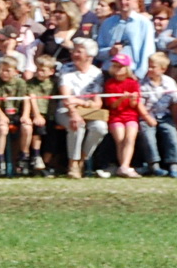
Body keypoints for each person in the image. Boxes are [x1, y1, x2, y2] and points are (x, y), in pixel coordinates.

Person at [58, 38, 109, 179]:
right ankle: (73, 164)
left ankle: (82, 158)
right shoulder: (66, 69)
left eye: (78, 51)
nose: (74, 53)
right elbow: (66, 98)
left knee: (100, 128)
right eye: (74, 50)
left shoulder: (97, 73)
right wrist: (76, 111)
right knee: (77, 125)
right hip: (66, 110)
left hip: (88, 111)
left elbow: (97, 103)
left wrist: (80, 102)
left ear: (89, 56)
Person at [138, 52, 177, 177]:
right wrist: (147, 117)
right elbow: (139, 103)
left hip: (165, 115)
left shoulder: (169, 83)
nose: (149, 69)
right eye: (149, 66)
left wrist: (175, 120)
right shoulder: (142, 83)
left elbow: (175, 102)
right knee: (148, 137)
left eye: (153, 67)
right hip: (147, 116)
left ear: (163, 69)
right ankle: (154, 165)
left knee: (172, 135)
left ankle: (174, 165)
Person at [102, 53, 146, 178]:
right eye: (115, 66)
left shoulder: (133, 83)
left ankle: (124, 166)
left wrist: (132, 99)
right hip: (116, 116)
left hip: (130, 115)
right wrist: (122, 98)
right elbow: (113, 105)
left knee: (130, 138)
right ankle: (124, 166)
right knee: (120, 139)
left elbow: (134, 105)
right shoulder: (110, 84)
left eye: (120, 66)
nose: (117, 69)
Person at [0, 55, 33, 173]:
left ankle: (24, 156)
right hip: (2, 113)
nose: (4, 73)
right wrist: (1, 115)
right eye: (1, 70)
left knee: (27, 127)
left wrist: (25, 115)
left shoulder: (21, 83)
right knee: (3, 129)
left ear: (15, 71)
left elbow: (26, 100)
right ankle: (0, 158)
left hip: (17, 113)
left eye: (7, 70)